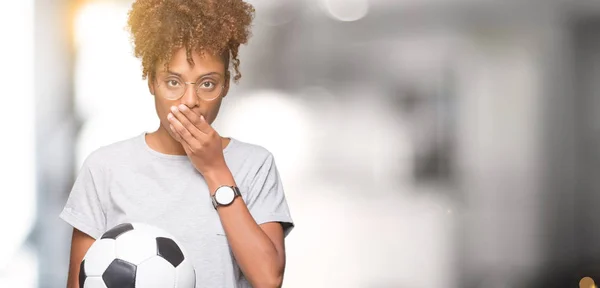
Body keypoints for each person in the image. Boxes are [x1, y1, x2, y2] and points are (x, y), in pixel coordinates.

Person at [61, 0, 294, 287]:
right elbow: (78, 283)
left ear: (226, 86)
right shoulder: (105, 168)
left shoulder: (255, 165)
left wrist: (215, 170)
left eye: (207, 83)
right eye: (173, 81)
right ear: (151, 82)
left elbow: (268, 279)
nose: (190, 101)